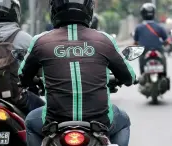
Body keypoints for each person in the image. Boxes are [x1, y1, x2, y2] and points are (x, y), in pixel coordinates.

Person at [19, 0, 136, 146]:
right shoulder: (104, 40)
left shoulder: (40, 41)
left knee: (30, 121)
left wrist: (32, 83)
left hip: (54, 122)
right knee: (123, 121)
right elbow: (129, 77)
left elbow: (23, 76)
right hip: (100, 121)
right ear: (89, 10)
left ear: (54, 10)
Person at [0, 0, 45, 114]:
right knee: (43, 114)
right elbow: (40, 70)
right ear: (15, 12)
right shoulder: (25, 39)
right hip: (19, 99)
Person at [134, 3, 170, 75]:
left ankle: (143, 74)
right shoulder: (160, 27)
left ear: (142, 14)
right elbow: (166, 40)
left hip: (144, 51)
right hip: (158, 49)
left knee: (141, 59)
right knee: (163, 58)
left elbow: (136, 41)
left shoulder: (138, 28)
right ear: (154, 14)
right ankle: (164, 75)